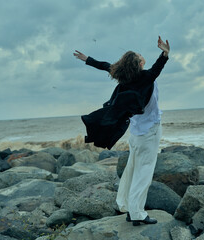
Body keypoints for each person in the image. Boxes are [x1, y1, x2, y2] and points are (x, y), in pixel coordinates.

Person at [73, 36, 170, 226]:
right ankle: (137, 213)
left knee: (132, 170)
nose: (143, 56)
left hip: (136, 133)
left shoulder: (125, 77)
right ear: (140, 63)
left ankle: (127, 206)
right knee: (143, 173)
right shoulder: (145, 77)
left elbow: (106, 66)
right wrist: (165, 52)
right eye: (141, 56)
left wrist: (87, 60)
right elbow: (159, 65)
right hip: (149, 132)